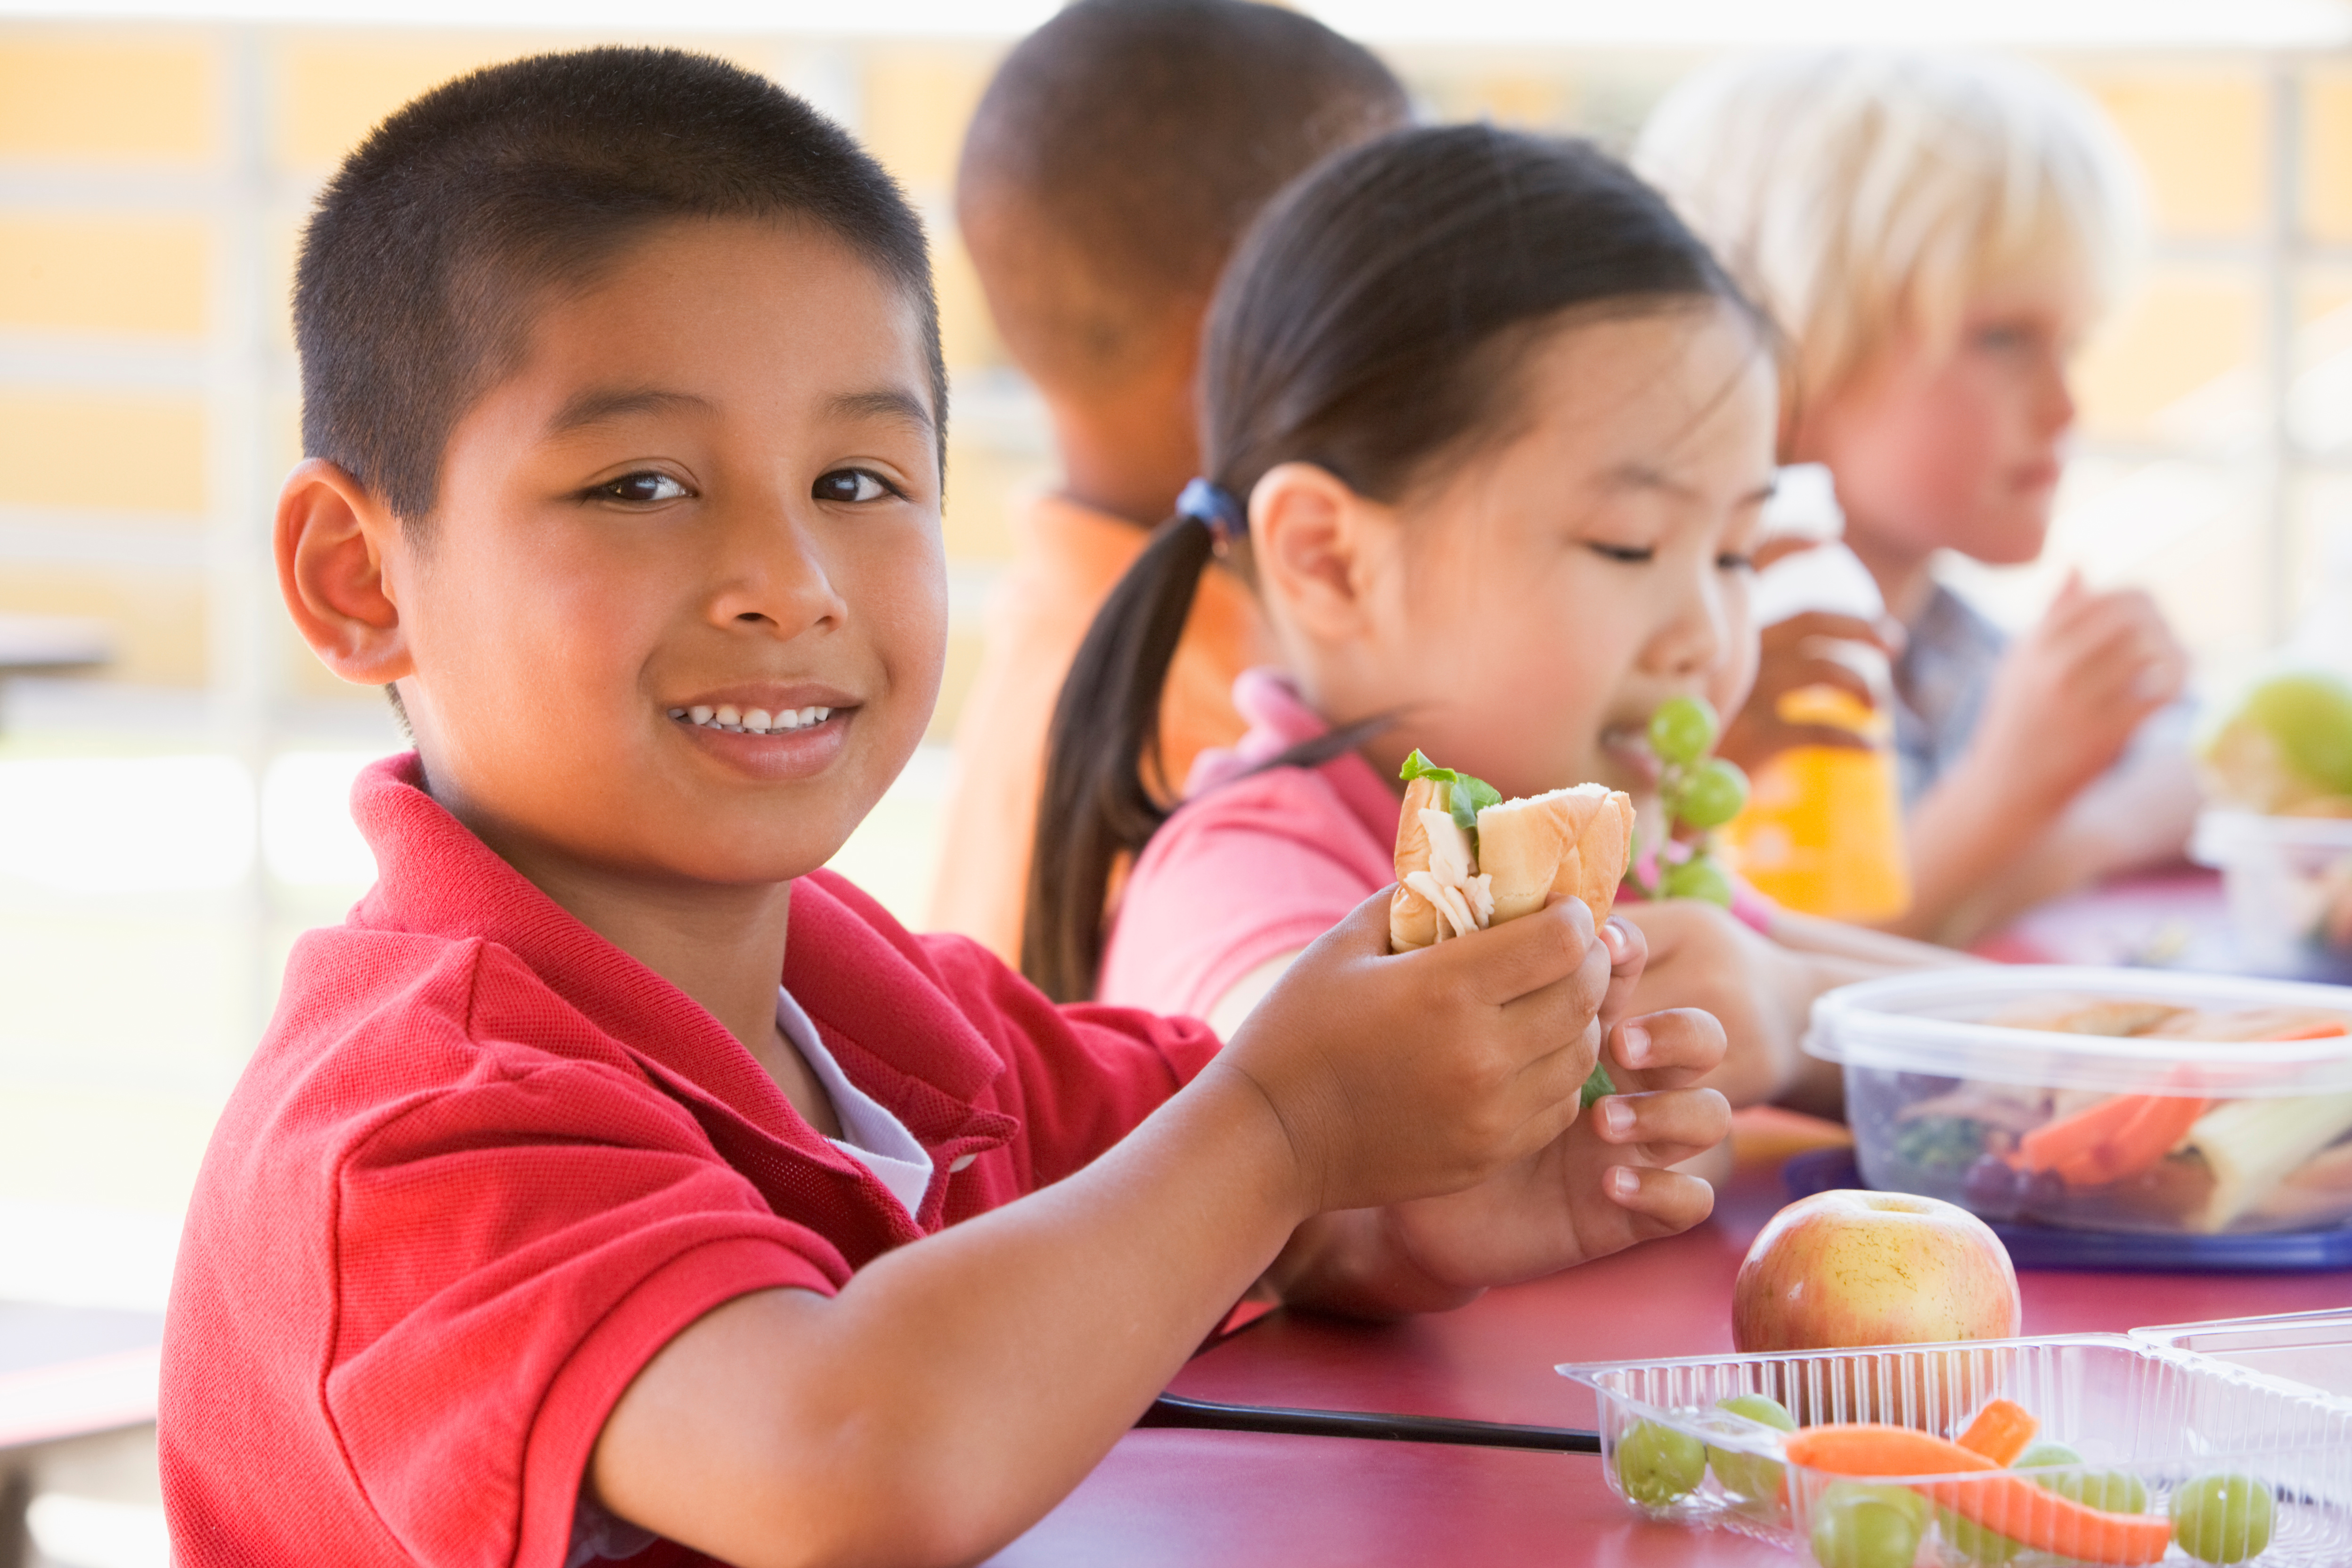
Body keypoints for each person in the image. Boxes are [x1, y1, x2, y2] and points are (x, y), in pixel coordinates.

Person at [158, 49, 1734, 1568]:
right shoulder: (410, 1124)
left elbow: (1224, 1198)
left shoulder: (882, 1013)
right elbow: (846, 1456)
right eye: (641, 484)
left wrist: (1418, 1193)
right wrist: (1281, 1131)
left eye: (857, 481)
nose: (789, 584)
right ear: (360, 577)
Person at [1030, 125, 1962, 1123]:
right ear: (1330, 560)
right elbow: (1318, 1151)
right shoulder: (1247, 880)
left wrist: (1791, 1006)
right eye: (1629, 544)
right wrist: (1785, 1013)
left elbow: (1970, 1019)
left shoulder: (1595, 855)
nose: (1707, 633)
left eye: (1734, 553)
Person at [1634, 51, 2198, 947]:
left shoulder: (1947, 645)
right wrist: (2009, 794)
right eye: (2004, 339)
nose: (2067, 406)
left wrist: (2062, 838)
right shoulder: (1727, 663)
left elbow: (2194, 770)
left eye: (2075, 342)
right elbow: (1763, 977)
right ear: (1793, 348)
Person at [929, 0, 1410, 964]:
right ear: (1249, 317)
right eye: (1393, 276)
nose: (1441, 322)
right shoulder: (1208, 746)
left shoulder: (1104, 639)